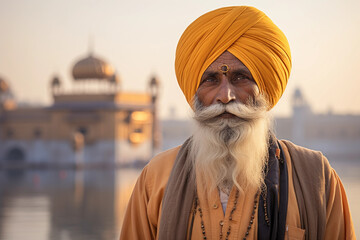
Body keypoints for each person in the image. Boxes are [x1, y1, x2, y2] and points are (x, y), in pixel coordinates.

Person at [120, 6, 355, 240]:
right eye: (211, 79)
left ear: (263, 90)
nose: (226, 96)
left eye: (240, 78)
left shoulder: (316, 177)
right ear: (195, 94)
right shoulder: (157, 178)